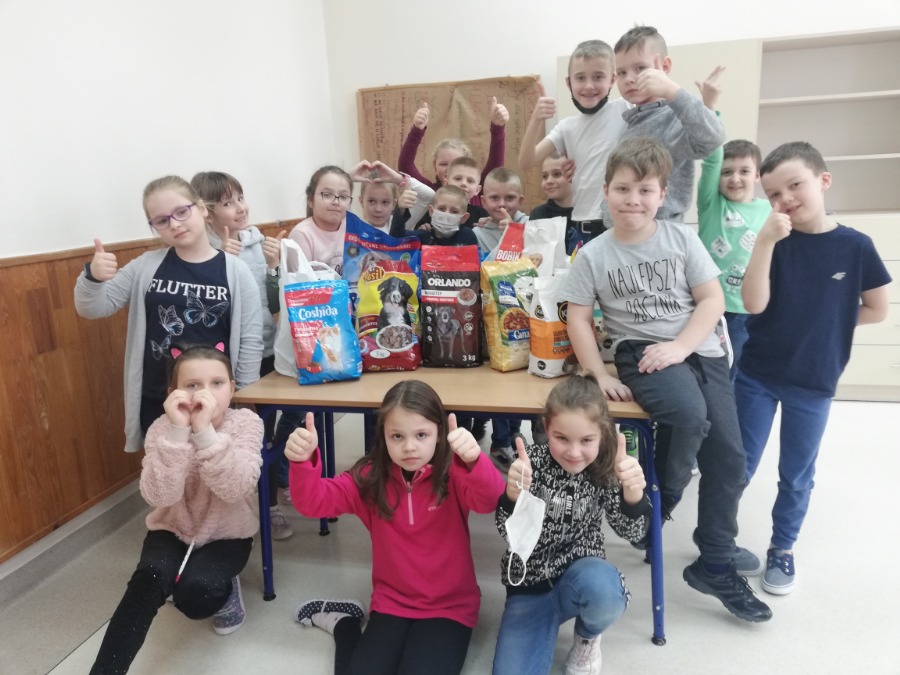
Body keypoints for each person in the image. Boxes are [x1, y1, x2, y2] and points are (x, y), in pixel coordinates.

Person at [562, 137, 772, 623]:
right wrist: (597, 372)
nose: (632, 200)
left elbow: (712, 300)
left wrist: (681, 346)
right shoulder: (593, 254)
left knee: (730, 458)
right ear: (606, 191)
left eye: (645, 190)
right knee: (687, 415)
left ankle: (713, 561)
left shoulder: (681, 238)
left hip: (699, 349)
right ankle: (656, 505)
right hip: (640, 351)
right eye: (622, 189)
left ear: (662, 195)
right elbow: (578, 317)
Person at [737, 141, 891, 595]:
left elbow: (877, 309)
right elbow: (753, 303)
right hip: (758, 374)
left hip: (814, 380)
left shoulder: (856, 246)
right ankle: (718, 541)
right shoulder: (773, 242)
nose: (785, 199)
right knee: (738, 465)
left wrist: (827, 321)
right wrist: (765, 240)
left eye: (795, 185)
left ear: (824, 180)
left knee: (797, 473)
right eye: (773, 194)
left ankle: (782, 548)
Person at [286, 381, 505, 675]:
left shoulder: (454, 472)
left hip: (449, 607)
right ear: (383, 436)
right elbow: (312, 503)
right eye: (397, 436)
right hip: (391, 603)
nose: (409, 446)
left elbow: (491, 500)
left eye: (421, 435)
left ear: (440, 434)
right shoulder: (369, 477)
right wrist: (303, 462)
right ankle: (345, 623)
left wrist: (474, 461)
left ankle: (345, 624)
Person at [90, 343, 263, 674]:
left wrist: (205, 434)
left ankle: (226, 589)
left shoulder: (246, 424)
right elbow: (158, 495)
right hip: (172, 528)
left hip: (228, 533)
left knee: (196, 596)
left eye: (217, 383)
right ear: (173, 393)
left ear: (232, 389)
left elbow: (236, 487)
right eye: (192, 384)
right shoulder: (161, 428)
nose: (205, 394)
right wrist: (178, 433)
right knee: (148, 580)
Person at [74, 175, 264, 454]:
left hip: (216, 402)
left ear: (202, 208)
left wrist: (241, 401)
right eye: (162, 220)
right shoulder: (146, 267)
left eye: (181, 212)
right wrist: (92, 277)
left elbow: (250, 340)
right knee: (166, 472)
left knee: (216, 471)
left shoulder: (236, 272)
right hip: (159, 397)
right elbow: (93, 307)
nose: (174, 224)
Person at [492, 374, 650, 675]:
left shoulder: (606, 469)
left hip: (581, 576)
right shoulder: (530, 464)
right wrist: (512, 497)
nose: (574, 452)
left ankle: (587, 637)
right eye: (561, 438)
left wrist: (633, 495)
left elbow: (633, 533)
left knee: (605, 590)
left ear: (602, 434)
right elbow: (510, 536)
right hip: (529, 586)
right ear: (546, 428)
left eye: (586, 440)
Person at [190, 170, 295, 540]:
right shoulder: (204, 253)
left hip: (270, 351)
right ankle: (264, 506)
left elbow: (276, 303)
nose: (239, 208)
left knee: (288, 417)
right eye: (226, 203)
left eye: (240, 198)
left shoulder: (260, 242)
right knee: (248, 436)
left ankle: (278, 478)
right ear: (207, 213)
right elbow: (211, 312)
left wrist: (274, 267)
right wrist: (220, 263)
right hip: (231, 362)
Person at [693, 72, 772, 380]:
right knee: (705, 368)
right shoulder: (712, 204)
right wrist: (710, 108)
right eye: (727, 172)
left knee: (735, 372)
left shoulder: (769, 209)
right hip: (707, 302)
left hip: (745, 309)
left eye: (744, 171)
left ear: (758, 175)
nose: (734, 178)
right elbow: (712, 158)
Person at [519, 40, 630, 252]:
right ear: (568, 82)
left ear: (612, 79)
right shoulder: (566, 128)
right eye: (580, 78)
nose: (588, 85)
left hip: (618, 226)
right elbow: (526, 161)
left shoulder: (625, 110)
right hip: (581, 229)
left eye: (598, 77)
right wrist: (536, 119)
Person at [606, 25, 725, 224]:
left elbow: (712, 139)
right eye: (622, 72)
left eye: (640, 68)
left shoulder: (674, 117)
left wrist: (672, 91)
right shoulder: (630, 122)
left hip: (661, 232)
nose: (629, 79)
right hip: (624, 232)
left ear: (665, 66)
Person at [398, 97, 508, 204]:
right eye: (443, 164)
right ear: (435, 168)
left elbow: (495, 165)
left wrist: (497, 127)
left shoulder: (477, 190)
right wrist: (417, 129)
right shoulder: (430, 192)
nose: (449, 169)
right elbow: (405, 165)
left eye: (456, 163)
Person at [473, 166, 528, 257]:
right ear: (484, 202)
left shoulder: (531, 226)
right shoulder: (477, 234)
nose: (502, 204)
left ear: (520, 201)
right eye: (494, 198)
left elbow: (537, 258)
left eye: (509, 197)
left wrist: (513, 233)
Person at [528, 153, 574, 244]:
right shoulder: (538, 215)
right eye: (545, 176)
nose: (549, 181)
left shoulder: (586, 214)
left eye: (557, 174)